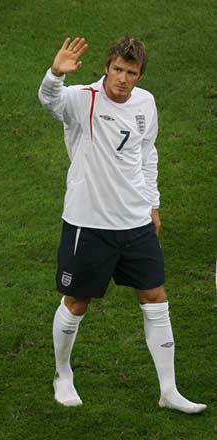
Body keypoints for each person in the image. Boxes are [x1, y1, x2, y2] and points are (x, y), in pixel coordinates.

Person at [38, 36, 206, 414]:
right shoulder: (83, 99)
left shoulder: (146, 103)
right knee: (77, 302)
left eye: (131, 73)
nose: (123, 79)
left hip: (135, 222)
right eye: (117, 70)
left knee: (155, 297)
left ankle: (168, 390)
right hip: (88, 223)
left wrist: (153, 203)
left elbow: (148, 154)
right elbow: (50, 101)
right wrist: (54, 75)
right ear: (106, 68)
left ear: (140, 74)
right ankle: (62, 374)